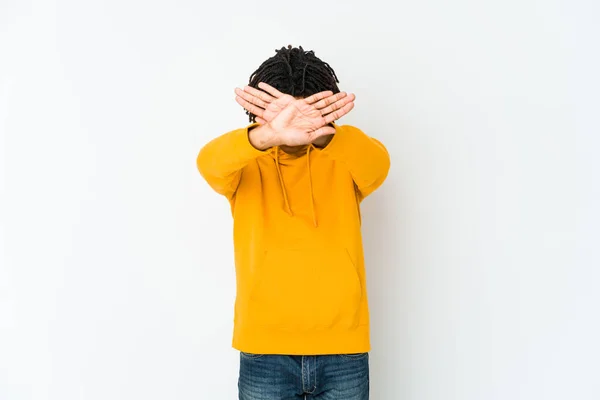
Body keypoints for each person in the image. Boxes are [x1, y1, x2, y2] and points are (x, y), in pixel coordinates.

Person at [196, 45, 390, 400]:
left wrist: (322, 133)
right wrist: (269, 135)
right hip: (264, 347)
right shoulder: (245, 163)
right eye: (282, 112)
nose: (294, 123)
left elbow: (378, 167)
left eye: (304, 111)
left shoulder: (344, 156)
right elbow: (208, 162)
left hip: (342, 346)